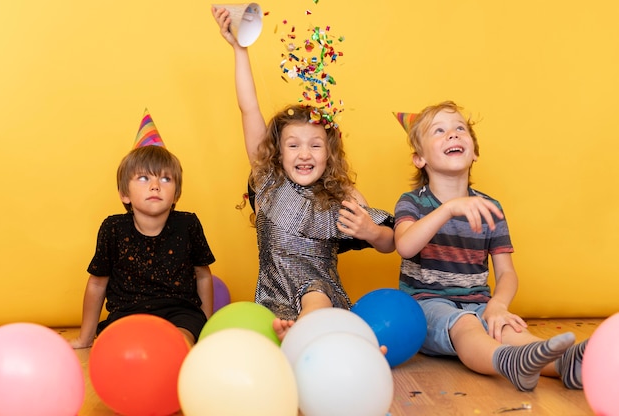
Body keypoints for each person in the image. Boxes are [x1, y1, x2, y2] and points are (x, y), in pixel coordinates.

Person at [212, 6, 396, 341]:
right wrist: (240, 49)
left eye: (315, 145)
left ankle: (313, 334)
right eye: (293, 145)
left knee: (315, 293)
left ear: (330, 153)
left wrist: (370, 231)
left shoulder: (338, 201)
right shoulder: (268, 184)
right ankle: (319, 339)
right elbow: (248, 106)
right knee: (259, 334)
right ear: (277, 153)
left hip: (320, 295)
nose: (305, 153)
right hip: (271, 296)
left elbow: (391, 241)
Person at [393, 100, 587, 391]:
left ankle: (566, 364)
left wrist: (497, 305)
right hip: (427, 307)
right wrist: (447, 209)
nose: (453, 134)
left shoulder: (490, 208)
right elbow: (406, 246)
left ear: (475, 153)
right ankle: (506, 362)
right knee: (465, 325)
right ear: (419, 158)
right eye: (439, 131)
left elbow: (507, 273)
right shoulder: (413, 203)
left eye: (460, 129)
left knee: (506, 327)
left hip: (479, 302)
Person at [69, 144, 215, 348]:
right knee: (123, 346)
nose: (155, 185)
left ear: (176, 195)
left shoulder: (187, 225)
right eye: (144, 178)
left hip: (180, 312)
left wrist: (205, 326)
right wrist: (85, 338)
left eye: (165, 179)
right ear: (124, 194)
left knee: (180, 342)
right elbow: (97, 283)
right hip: (128, 314)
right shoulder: (113, 228)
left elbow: (203, 274)